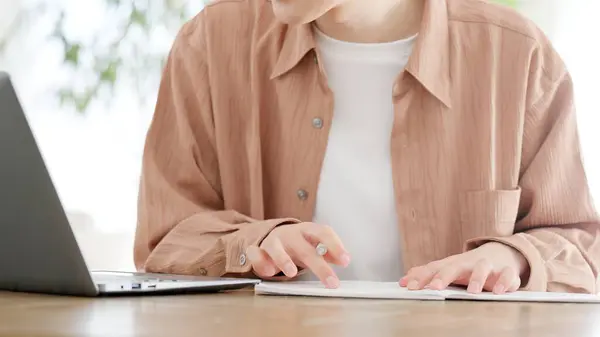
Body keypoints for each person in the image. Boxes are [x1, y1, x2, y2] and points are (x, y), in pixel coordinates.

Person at [134, 0, 600, 294]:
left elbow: (581, 246)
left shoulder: (516, 55)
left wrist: (512, 259)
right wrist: (251, 243)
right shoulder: (211, 45)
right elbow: (165, 238)